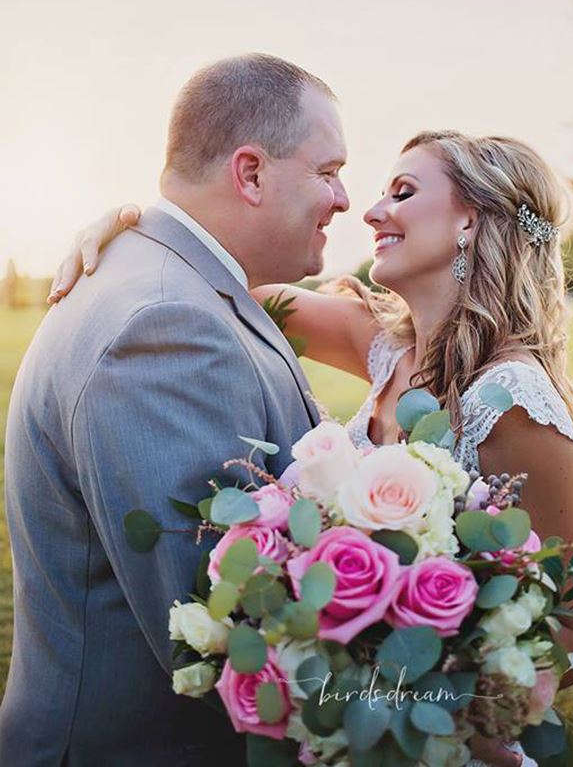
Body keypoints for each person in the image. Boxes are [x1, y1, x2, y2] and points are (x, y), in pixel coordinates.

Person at [51, 128, 573, 767]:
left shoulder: (512, 398)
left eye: (403, 191)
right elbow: (218, 279)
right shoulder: (384, 346)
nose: (369, 211)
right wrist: (132, 231)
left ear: (470, 218)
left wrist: (425, 715)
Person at [0, 55, 350, 766]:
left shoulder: (184, 286)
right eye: (329, 170)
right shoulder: (163, 325)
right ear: (249, 174)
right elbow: (215, 621)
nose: (346, 199)